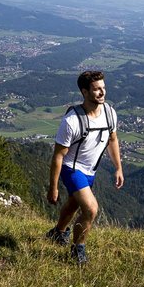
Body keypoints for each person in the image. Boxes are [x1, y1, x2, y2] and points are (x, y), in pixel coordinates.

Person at [47, 70, 124, 264]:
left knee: (73, 204)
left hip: (91, 170)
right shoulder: (71, 121)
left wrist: (118, 167)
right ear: (84, 92)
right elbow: (58, 156)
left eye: (103, 88)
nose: (102, 93)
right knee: (90, 209)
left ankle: (58, 233)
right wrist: (53, 187)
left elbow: (112, 140)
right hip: (72, 168)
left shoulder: (109, 113)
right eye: (97, 89)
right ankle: (77, 249)